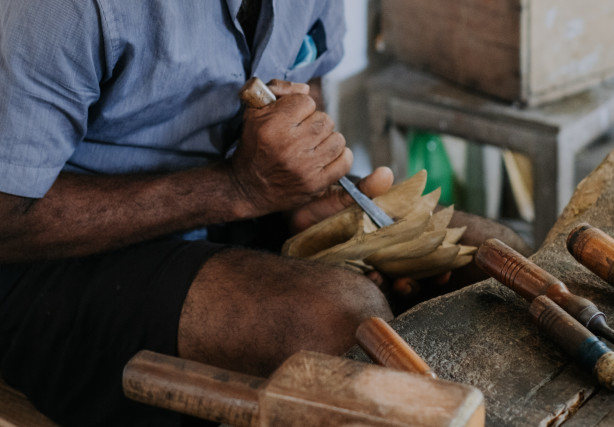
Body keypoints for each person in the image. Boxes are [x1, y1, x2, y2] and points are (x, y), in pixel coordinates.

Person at [0, 1, 529, 425]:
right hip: (53, 260)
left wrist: (303, 185)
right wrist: (238, 189)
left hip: (233, 198)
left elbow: (308, 75)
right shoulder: (59, 10)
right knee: (336, 321)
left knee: (489, 255)